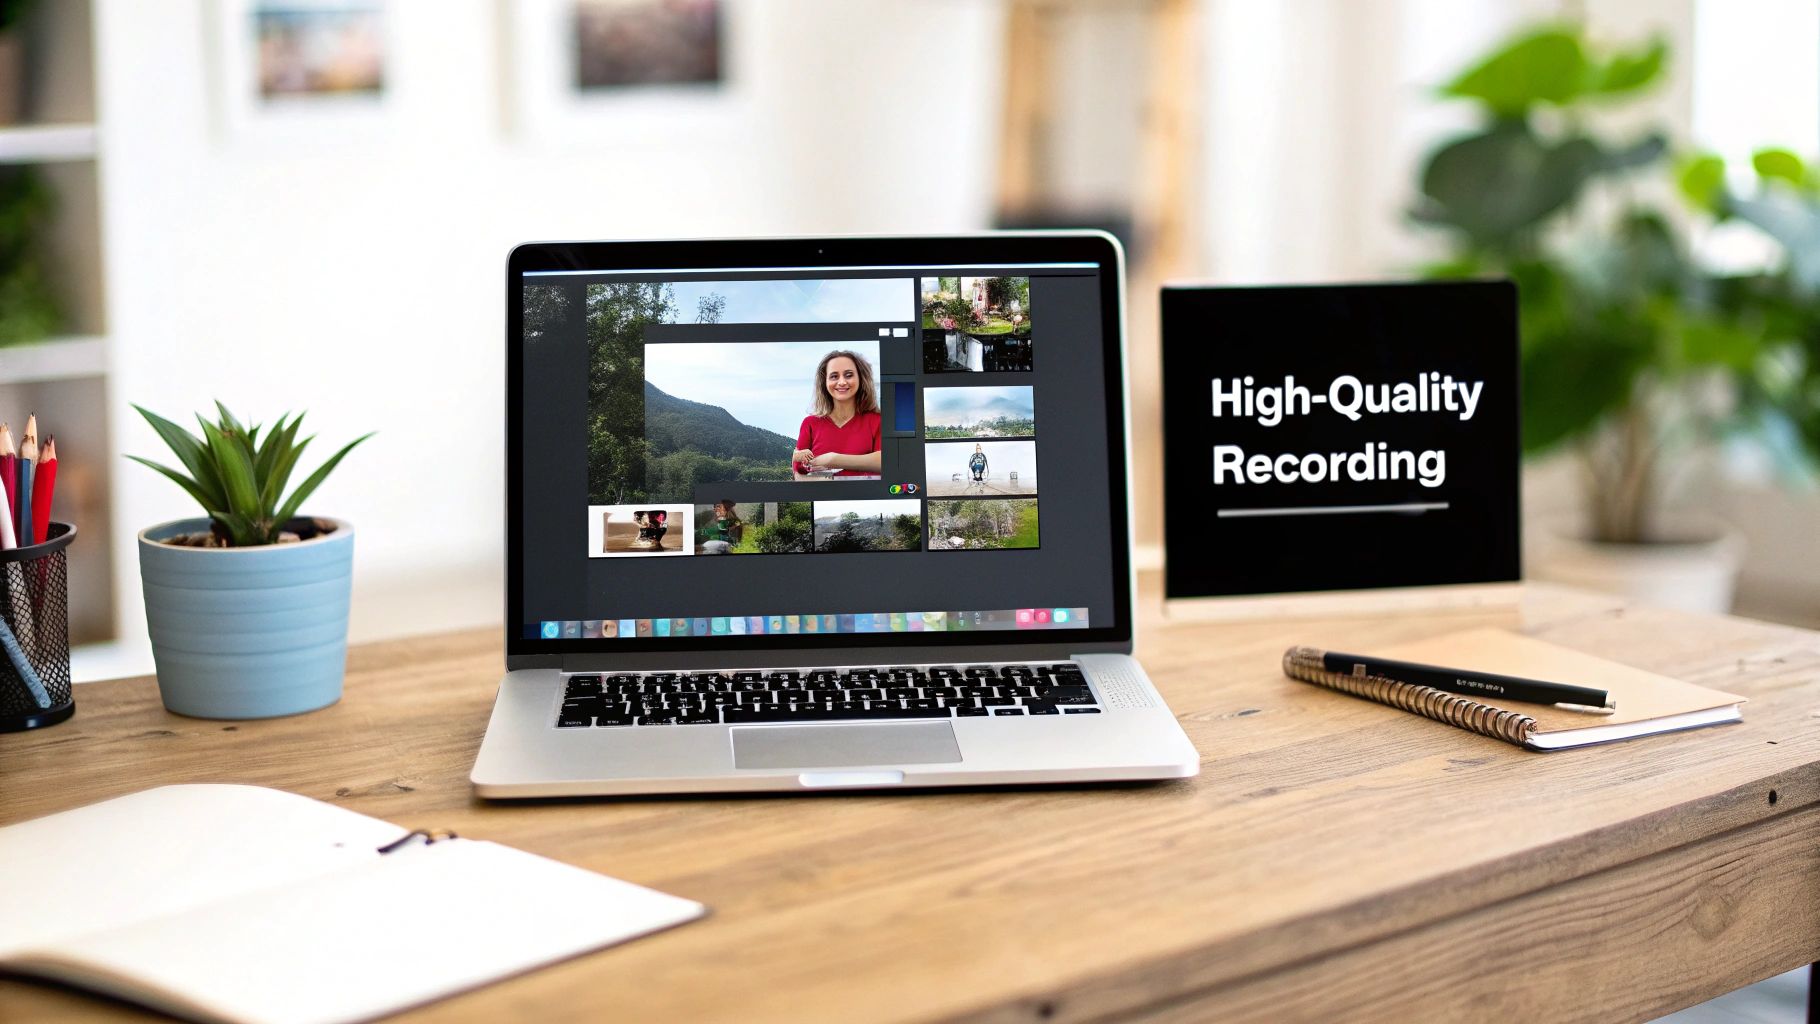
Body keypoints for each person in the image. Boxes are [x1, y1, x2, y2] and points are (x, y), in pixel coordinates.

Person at [792, 350, 882, 480]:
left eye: (848, 375)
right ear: (824, 382)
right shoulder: (810, 423)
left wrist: (833, 459)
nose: (842, 382)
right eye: (834, 376)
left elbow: (886, 461)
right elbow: (798, 472)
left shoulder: (877, 421)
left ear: (861, 378)